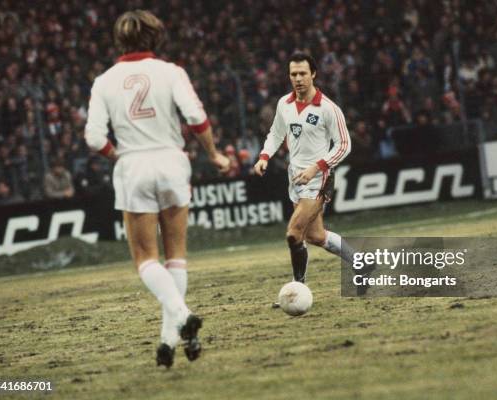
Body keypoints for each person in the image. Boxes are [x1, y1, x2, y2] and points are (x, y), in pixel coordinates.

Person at [84, 10, 229, 368]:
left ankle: (180, 318)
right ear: (155, 36)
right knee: (175, 254)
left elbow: (93, 137)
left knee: (145, 259)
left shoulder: (104, 81)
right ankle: (168, 341)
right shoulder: (171, 72)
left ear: (119, 40)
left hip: (134, 165)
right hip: (171, 161)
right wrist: (214, 154)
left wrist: (117, 155)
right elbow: (197, 118)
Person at [253, 52, 357, 288]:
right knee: (315, 236)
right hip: (296, 177)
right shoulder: (284, 104)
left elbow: (344, 145)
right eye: (293, 74)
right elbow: (276, 133)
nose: (298, 78)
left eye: (302, 73)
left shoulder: (328, 108)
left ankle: (297, 287)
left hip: (319, 178)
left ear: (313, 74)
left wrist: (317, 167)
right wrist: (264, 157)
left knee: (293, 233)